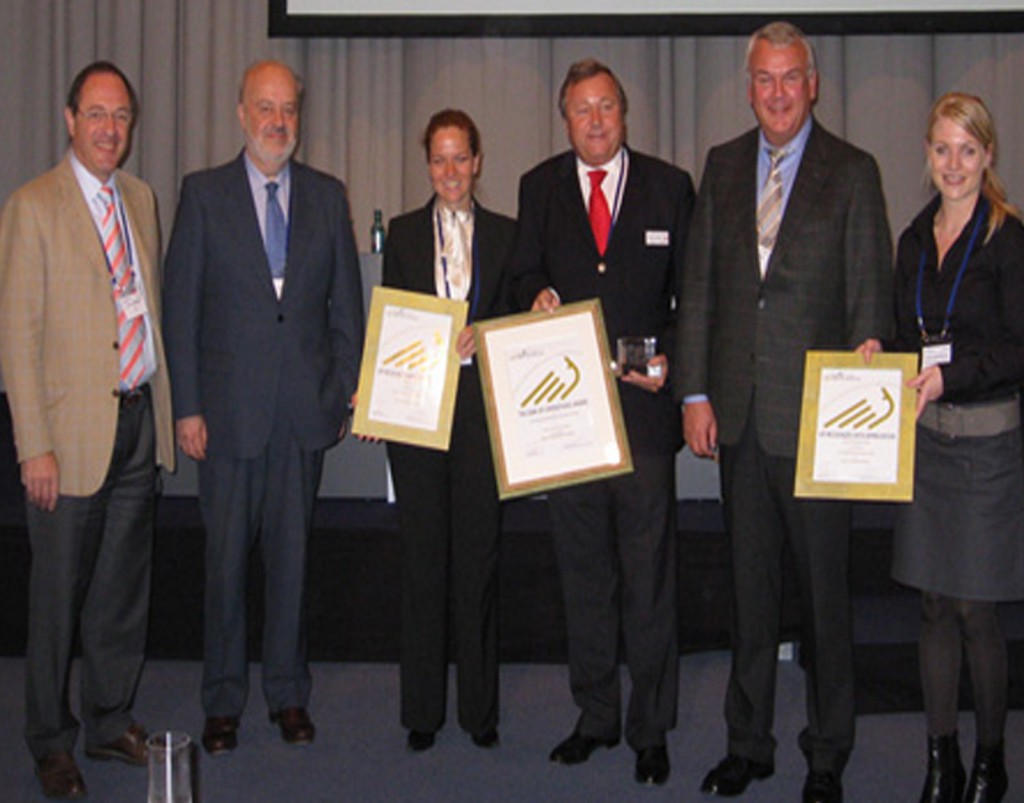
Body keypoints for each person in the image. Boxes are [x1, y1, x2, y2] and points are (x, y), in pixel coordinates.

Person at [676, 21, 892, 803]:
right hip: (737, 417)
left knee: (825, 597)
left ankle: (827, 749)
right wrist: (694, 393)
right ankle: (749, 742)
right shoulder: (725, 166)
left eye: (790, 77)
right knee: (750, 592)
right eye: (763, 79)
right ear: (749, 87)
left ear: (814, 84)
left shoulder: (854, 171)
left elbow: (871, 296)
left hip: (821, 428)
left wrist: (870, 363)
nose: (777, 92)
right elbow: (698, 288)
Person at [162, 60, 364, 756]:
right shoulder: (203, 194)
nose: (278, 122)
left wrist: (339, 392)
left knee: (292, 559)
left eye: (288, 110)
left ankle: (287, 691)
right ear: (242, 114)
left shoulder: (327, 195)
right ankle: (222, 699)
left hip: (303, 415)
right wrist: (186, 406)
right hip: (225, 417)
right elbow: (179, 310)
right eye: (265, 108)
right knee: (223, 565)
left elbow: (348, 312)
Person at [509, 58, 694, 786]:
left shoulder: (670, 187)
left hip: (645, 416)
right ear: (566, 119)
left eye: (606, 107)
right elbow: (521, 275)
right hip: (569, 418)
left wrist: (675, 360)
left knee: (649, 579)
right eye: (581, 109)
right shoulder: (539, 187)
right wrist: (540, 292)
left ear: (624, 114)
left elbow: (694, 294)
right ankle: (595, 715)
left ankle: (652, 727)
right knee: (583, 574)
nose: (594, 120)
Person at [0, 61, 175, 799]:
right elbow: (17, 332)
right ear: (70, 120)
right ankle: (49, 738)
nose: (110, 129)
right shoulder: (33, 205)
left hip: (136, 418)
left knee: (120, 590)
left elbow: (141, 305)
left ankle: (109, 718)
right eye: (97, 115)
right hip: (67, 437)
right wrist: (31, 442)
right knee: (58, 596)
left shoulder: (140, 198)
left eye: (122, 116)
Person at [857, 92, 1024, 803]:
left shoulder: (1010, 240)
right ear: (926, 156)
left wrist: (948, 375)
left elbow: (1017, 348)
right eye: (941, 149)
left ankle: (991, 761)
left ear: (987, 156)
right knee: (930, 603)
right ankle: (940, 758)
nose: (953, 164)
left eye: (967, 149)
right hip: (924, 445)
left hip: (987, 449)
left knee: (973, 609)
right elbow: (906, 338)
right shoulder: (914, 238)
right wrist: (879, 350)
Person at [381, 109, 516, 752]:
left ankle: (480, 712)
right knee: (422, 563)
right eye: (439, 159)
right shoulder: (404, 235)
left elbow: (518, 326)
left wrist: (487, 334)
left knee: (480, 564)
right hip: (418, 413)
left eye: (461, 157)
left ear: (479, 161)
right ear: (426, 164)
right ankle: (422, 712)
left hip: (481, 414)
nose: (451, 171)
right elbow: (391, 331)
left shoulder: (508, 236)